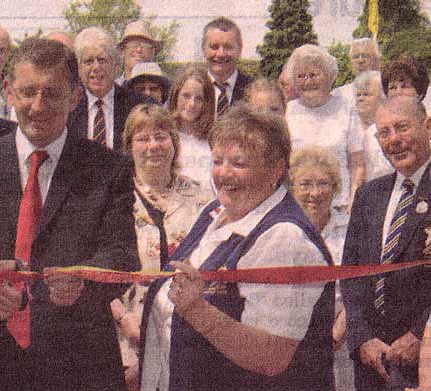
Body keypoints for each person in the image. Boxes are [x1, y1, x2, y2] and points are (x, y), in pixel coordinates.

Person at [0, 38, 139, 391]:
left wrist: (84, 281)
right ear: (8, 91)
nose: (38, 106)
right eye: (27, 92)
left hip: (79, 368)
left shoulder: (109, 168)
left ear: (75, 97)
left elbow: (122, 255)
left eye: (52, 94)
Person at [141, 104, 335, 390]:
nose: (224, 173)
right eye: (218, 161)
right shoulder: (214, 212)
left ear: (276, 169)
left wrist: (196, 310)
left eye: (239, 164)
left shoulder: (285, 238)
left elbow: (271, 356)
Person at [112, 104, 212, 391]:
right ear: (129, 146)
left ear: (174, 141)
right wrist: (125, 320)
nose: (153, 146)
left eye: (161, 136)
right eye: (142, 139)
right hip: (127, 335)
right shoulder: (113, 198)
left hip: (188, 332)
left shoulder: (202, 198)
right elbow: (99, 270)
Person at [342, 96, 431, 391]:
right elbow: (351, 274)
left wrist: (421, 334)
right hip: (372, 361)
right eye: (384, 132)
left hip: (424, 361)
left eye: (402, 128)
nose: (394, 140)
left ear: (427, 127)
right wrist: (362, 337)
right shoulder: (369, 195)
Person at [289, 146, 353, 391]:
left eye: (323, 184)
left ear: (335, 188)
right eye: (305, 184)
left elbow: (360, 286)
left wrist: (338, 331)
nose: (314, 193)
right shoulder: (283, 229)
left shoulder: (350, 229)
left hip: (341, 340)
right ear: (292, 189)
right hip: (293, 341)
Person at [285, 44, 365, 210]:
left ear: (329, 76)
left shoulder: (346, 109)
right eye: (301, 76)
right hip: (296, 206)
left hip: (338, 205)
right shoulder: (287, 112)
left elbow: (357, 164)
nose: (308, 81)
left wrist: (353, 203)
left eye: (314, 75)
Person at [68, 26, 146, 150]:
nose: (96, 67)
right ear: (79, 68)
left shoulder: (139, 105)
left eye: (102, 60)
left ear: (115, 64)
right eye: (88, 61)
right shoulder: (67, 108)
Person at [168, 64, 216, 192]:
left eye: (199, 98)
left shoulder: (214, 140)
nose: (192, 104)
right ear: (176, 96)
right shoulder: (165, 137)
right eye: (186, 96)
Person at [201, 17, 252, 116]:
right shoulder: (190, 91)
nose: (221, 54)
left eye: (228, 47)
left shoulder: (252, 91)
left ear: (240, 49)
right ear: (203, 49)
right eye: (214, 47)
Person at [354, 71, 392, 181]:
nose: (360, 99)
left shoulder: (387, 131)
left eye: (366, 94)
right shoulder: (350, 128)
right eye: (358, 95)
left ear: (382, 98)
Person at [334, 38, 382, 109]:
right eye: (355, 57)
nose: (360, 60)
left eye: (366, 56)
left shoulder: (391, 91)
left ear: (378, 61)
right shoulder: (340, 95)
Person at [116, 21, 163, 85]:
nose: (139, 50)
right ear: (122, 51)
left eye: (145, 45)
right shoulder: (110, 89)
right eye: (133, 44)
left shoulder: (163, 89)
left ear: (153, 52)